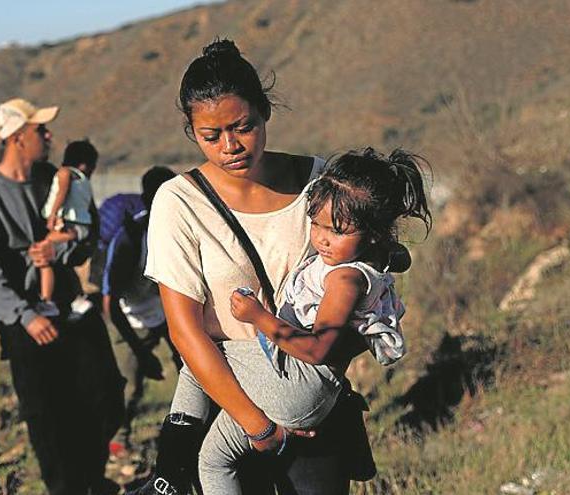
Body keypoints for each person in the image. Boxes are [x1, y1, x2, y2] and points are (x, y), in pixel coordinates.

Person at [132, 40, 381, 494]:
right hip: (229, 410)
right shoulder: (179, 201)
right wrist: (258, 428)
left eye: (242, 126)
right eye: (211, 136)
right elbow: (185, 331)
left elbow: (356, 282)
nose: (230, 146)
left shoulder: (318, 182)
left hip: (308, 400)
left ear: (265, 111)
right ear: (192, 132)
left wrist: (317, 376)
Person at [168, 147, 430, 494]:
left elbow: (318, 348)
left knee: (203, 358)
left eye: (336, 230)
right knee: (214, 458)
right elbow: (394, 255)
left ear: (371, 233)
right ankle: (172, 461)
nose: (321, 238)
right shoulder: (355, 258)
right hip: (299, 383)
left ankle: (168, 465)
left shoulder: (344, 279)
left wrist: (259, 318)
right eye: (317, 224)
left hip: (300, 381)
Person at [0, 97, 125, 495]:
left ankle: (92, 476)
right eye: (41, 130)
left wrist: (61, 247)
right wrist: (25, 316)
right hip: (28, 324)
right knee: (47, 419)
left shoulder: (55, 179)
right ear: (18, 138)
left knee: (104, 397)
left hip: (70, 311)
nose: (49, 136)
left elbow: (86, 237)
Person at [102, 166, 184, 450]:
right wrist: (141, 352)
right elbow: (109, 304)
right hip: (131, 319)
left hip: (164, 314)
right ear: (150, 198)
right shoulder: (128, 240)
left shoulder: (175, 231)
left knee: (192, 370)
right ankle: (117, 445)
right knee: (129, 387)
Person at [38, 139, 98, 317]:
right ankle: (78, 296)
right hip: (81, 228)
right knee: (61, 261)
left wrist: (53, 214)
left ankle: (46, 300)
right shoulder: (84, 181)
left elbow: (62, 191)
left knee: (44, 254)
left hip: (71, 227)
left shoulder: (65, 173)